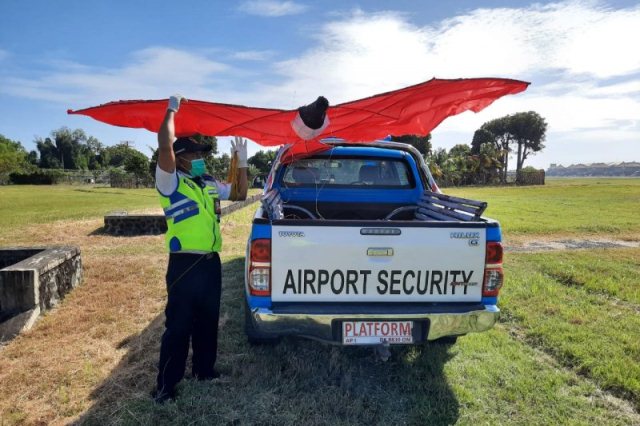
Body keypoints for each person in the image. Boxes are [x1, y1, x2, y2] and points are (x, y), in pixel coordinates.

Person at [152, 95, 248, 403]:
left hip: (210, 263)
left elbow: (240, 192)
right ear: (179, 157)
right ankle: (166, 388)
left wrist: (241, 162)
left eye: (201, 153)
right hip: (184, 265)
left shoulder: (206, 182)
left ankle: (204, 371)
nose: (199, 157)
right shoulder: (170, 181)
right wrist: (171, 110)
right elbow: (164, 143)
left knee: (208, 321)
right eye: (194, 153)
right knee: (178, 327)